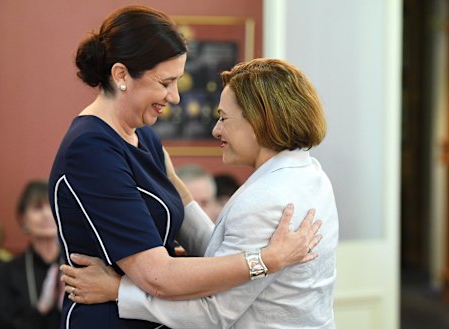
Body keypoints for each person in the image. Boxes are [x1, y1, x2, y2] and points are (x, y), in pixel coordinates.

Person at [48, 5, 322, 329]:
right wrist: (265, 260)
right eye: (166, 82)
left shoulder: (145, 137)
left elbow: (177, 220)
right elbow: (158, 276)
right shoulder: (90, 150)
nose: (175, 97)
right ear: (121, 75)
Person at [0, 180, 61, 329]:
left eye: (52, 206)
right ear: (23, 219)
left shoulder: (78, 265)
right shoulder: (7, 272)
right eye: (38, 207)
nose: (47, 214)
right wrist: (41, 309)